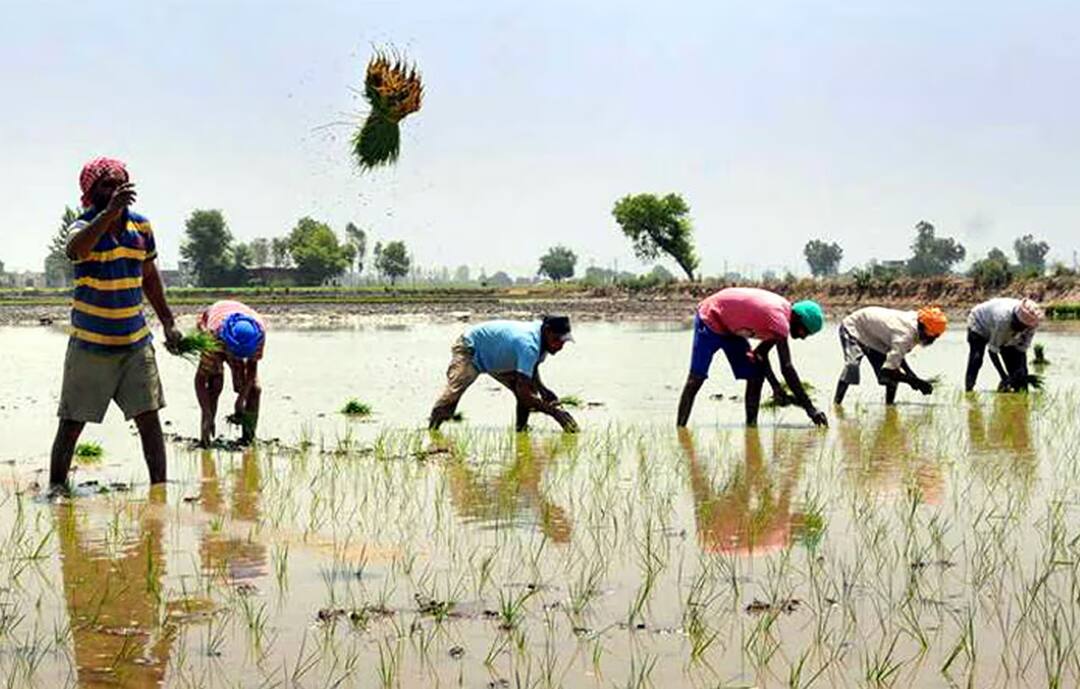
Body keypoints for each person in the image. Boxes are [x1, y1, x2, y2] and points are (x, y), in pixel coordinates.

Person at [50, 157, 181, 489]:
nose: (115, 190)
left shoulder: (142, 228)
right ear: (91, 192)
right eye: (107, 185)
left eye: (121, 184)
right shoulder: (83, 226)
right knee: (72, 422)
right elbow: (76, 249)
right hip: (91, 345)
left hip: (135, 343)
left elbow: (150, 277)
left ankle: (159, 491)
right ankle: (56, 489)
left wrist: (168, 322)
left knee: (149, 419)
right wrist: (108, 215)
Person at [676, 287, 828, 428]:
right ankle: (680, 429)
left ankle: (751, 427)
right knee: (696, 378)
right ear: (799, 319)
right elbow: (787, 368)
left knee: (755, 374)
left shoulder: (779, 319)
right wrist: (810, 408)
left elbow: (759, 354)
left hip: (732, 329)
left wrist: (776, 387)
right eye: (805, 332)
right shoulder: (779, 320)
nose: (803, 337)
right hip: (711, 317)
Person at [429, 315, 579, 432]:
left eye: (563, 342)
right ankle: (433, 429)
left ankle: (521, 430)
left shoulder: (543, 342)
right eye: (557, 340)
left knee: (530, 390)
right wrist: (556, 414)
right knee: (454, 392)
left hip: (499, 358)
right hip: (471, 349)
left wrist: (542, 389)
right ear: (547, 331)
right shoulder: (529, 345)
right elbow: (524, 394)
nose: (559, 346)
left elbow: (530, 368)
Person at [833, 305, 946, 406]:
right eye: (931, 338)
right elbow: (888, 372)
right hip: (854, 327)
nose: (932, 341)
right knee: (852, 365)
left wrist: (913, 377)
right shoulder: (905, 335)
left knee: (890, 378)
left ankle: (889, 407)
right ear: (924, 330)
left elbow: (897, 357)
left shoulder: (917, 324)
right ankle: (836, 404)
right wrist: (915, 381)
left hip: (876, 338)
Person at [194, 300, 266, 446]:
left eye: (242, 356)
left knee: (254, 389)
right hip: (213, 323)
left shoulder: (258, 336)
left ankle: (248, 438)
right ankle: (206, 435)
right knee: (215, 382)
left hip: (236, 327)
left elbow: (252, 370)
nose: (238, 360)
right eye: (235, 355)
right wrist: (206, 412)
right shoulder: (212, 338)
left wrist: (241, 399)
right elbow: (200, 381)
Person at [965, 297, 1043, 392]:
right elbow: (993, 351)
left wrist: (1021, 373)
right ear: (1016, 320)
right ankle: (969, 388)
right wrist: (1004, 376)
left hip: (1001, 327)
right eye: (1020, 326)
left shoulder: (1032, 324)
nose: (1021, 330)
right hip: (979, 323)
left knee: (1016, 371)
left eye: (1024, 328)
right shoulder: (1003, 320)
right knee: (976, 358)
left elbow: (1021, 350)